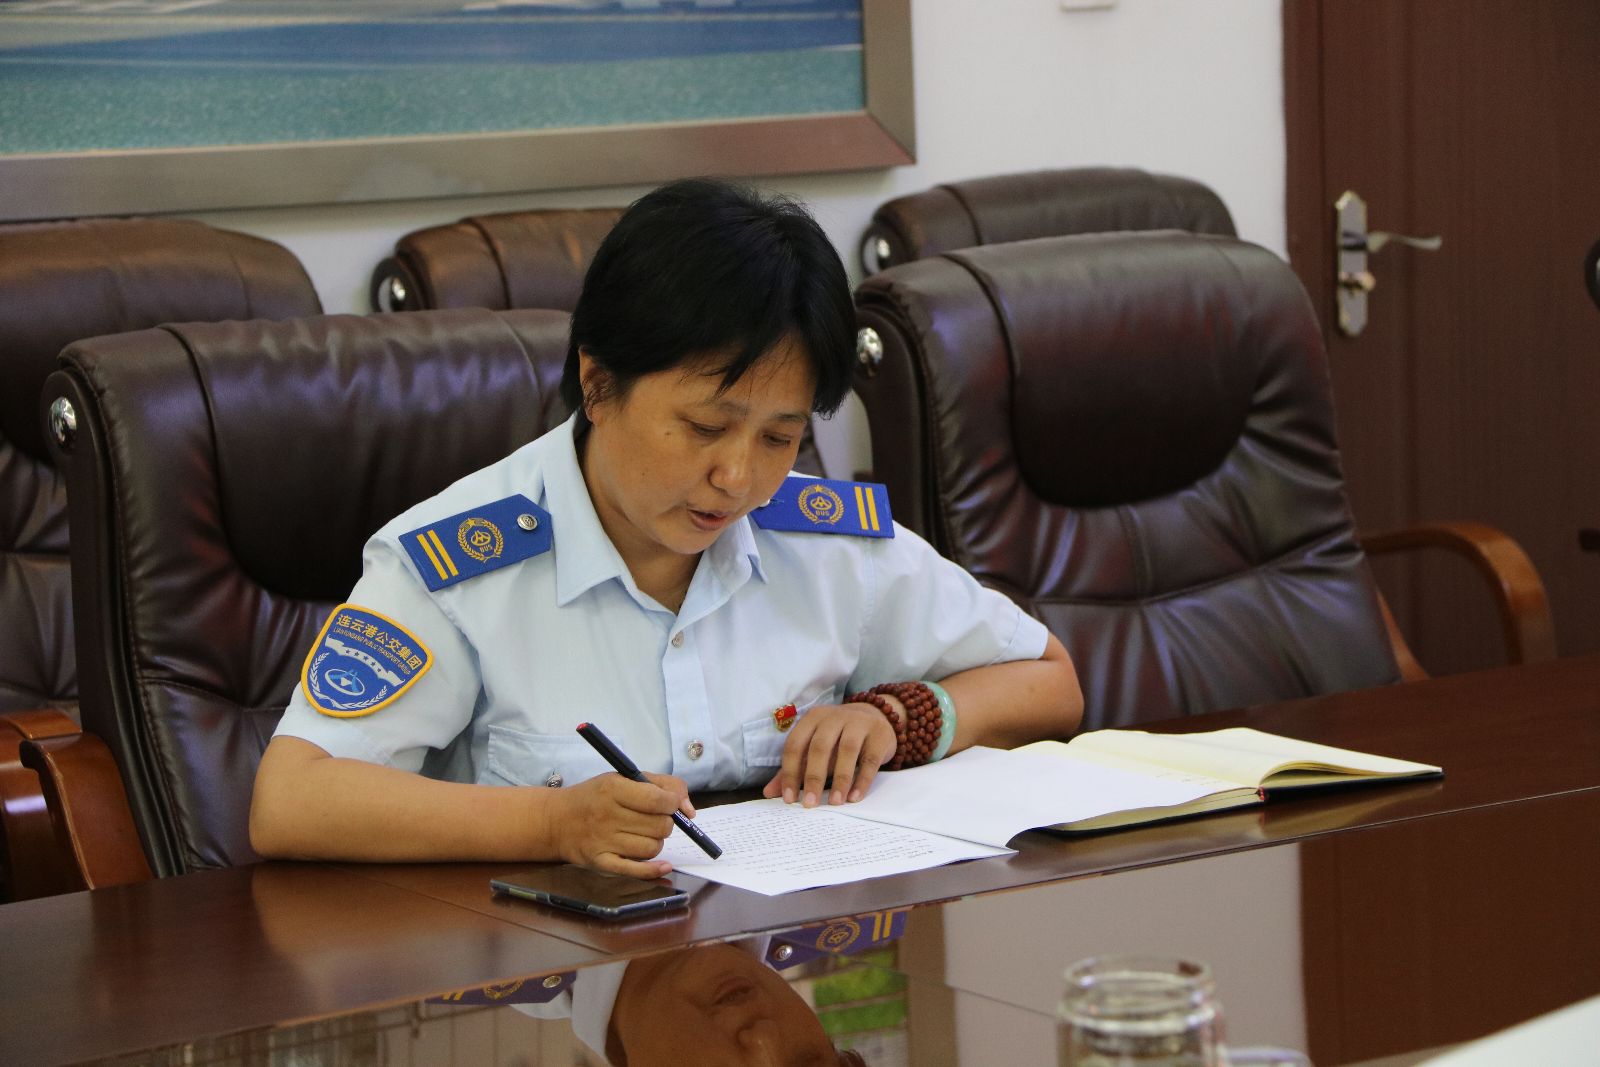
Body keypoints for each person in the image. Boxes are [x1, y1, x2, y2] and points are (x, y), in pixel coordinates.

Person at [250, 178, 1082, 878]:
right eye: (704, 427)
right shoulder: (459, 564)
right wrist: (550, 823)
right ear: (598, 383)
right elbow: (291, 799)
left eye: (779, 437)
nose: (738, 477)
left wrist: (902, 716)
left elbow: (1049, 680)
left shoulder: (824, 540)